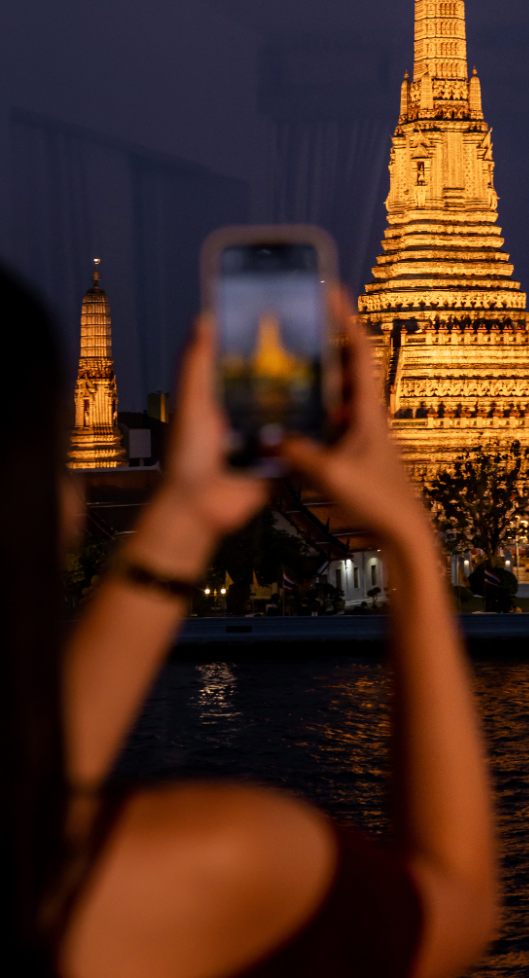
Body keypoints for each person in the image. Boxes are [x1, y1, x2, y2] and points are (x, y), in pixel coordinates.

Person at [0, 268, 497, 978]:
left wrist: (186, 516)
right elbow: (452, 903)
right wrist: (411, 545)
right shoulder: (151, 872)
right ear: (56, 513)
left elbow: (41, 776)